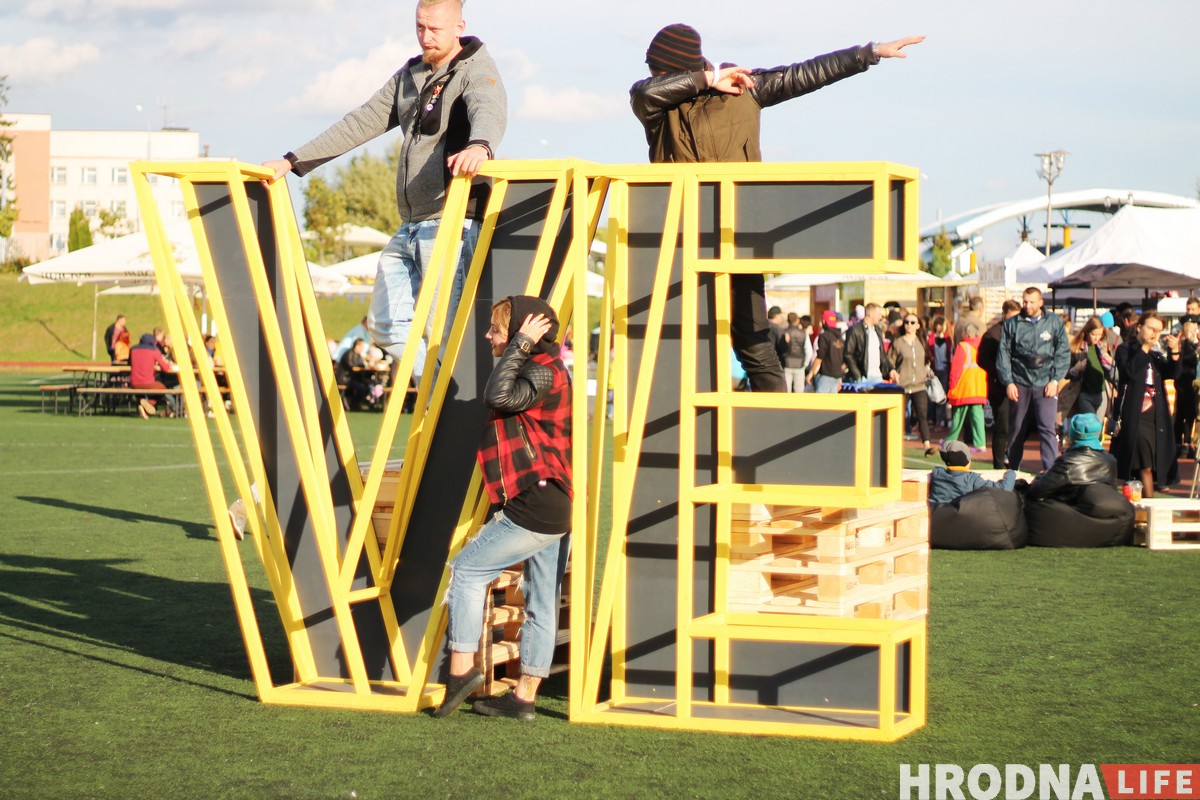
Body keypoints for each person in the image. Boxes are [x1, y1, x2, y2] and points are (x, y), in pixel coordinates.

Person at [629, 26, 923, 392]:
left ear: (674, 65)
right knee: (681, 340)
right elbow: (642, 93)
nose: (653, 75)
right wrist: (709, 78)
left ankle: (774, 427)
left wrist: (870, 52)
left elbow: (806, 74)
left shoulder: (746, 88)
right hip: (681, 241)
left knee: (754, 342)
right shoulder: (658, 107)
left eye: (658, 68)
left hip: (737, 237)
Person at [263, 0, 507, 382]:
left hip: (450, 220)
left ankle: (454, 404)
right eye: (420, 27)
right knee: (385, 323)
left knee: (443, 330)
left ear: (459, 25)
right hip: (411, 223)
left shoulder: (476, 68)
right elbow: (360, 121)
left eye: (435, 30)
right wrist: (293, 161)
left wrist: (481, 146)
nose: (426, 37)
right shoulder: (411, 75)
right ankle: (442, 391)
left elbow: (488, 107)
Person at [433, 295, 571, 721]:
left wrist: (519, 345)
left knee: (467, 571)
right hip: (552, 501)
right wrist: (521, 346)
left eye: (496, 330)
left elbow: (498, 396)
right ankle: (523, 700)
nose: (489, 335)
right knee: (542, 600)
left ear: (521, 334)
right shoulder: (546, 368)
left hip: (537, 502)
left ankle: (460, 674)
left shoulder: (543, 371)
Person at [996, 287, 1070, 473]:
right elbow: (1003, 354)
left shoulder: (1054, 322)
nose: (1027, 305)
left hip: (1045, 382)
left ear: (1040, 302)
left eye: (1031, 302)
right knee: (1017, 429)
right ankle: (1012, 470)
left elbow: (1063, 352)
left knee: (1047, 427)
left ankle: (1050, 471)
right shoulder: (1012, 324)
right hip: (1020, 381)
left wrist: (1055, 380)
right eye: (1025, 301)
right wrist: (1009, 381)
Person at [1111, 311, 1181, 497]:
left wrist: (1174, 352)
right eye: (1151, 329)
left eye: (1158, 331)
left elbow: (1173, 374)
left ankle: (1139, 507)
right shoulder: (1125, 349)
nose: (1154, 334)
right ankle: (1150, 505)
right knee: (1145, 465)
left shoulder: (1155, 356)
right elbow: (1129, 373)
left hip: (1156, 416)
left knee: (1148, 464)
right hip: (1136, 414)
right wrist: (1143, 349)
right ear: (1140, 327)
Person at [1026, 413, 1118, 503]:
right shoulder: (1111, 460)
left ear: (1073, 434)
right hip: (1105, 513)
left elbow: (1036, 492)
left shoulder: (1068, 462)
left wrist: (1039, 478)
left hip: (1075, 512)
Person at [978, 299, 1020, 468]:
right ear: (1004, 315)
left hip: (1019, 386)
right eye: (1011, 317)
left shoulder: (1021, 331)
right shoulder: (993, 334)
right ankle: (999, 464)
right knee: (1003, 426)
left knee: (1019, 425)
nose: (1014, 321)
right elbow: (981, 360)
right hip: (999, 388)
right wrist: (1000, 372)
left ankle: (1013, 458)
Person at [892, 313, 936, 457]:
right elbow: (890, 362)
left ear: (918, 325)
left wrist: (927, 370)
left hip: (919, 385)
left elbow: (927, 359)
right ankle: (896, 446)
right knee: (899, 416)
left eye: (912, 322)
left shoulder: (922, 341)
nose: (909, 325)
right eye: (906, 322)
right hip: (903, 386)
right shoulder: (898, 343)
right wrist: (893, 372)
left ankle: (927, 445)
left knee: (922, 415)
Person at [1059, 316, 1116, 419]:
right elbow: (1066, 374)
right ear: (1087, 332)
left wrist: (1110, 361)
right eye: (1094, 334)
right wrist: (1076, 369)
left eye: (1100, 334)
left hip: (1101, 393)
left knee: (1098, 428)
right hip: (1084, 393)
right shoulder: (1076, 347)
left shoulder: (1103, 348)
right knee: (1089, 426)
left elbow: (1112, 372)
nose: (1096, 338)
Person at [928, 440, 1016, 505]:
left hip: (937, 520)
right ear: (966, 461)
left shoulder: (937, 473)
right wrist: (1011, 472)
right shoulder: (971, 479)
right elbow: (1004, 489)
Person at [946, 321, 988, 451]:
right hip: (980, 387)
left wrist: (951, 386)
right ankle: (980, 443)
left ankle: (950, 440)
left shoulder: (963, 346)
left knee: (958, 416)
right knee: (978, 416)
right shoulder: (982, 345)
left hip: (964, 387)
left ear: (966, 333)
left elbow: (956, 369)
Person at [844, 303, 899, 385]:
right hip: (863, 377)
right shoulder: (855, 330)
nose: (880, 317)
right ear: (870, 314)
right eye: (878, 314)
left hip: (877, 376)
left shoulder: (878, 331)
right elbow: (848, 354)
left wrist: (891, 369)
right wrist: (857, 375)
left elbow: (882, 355)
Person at [129, 332, 180, 419]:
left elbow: (129, 363)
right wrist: (169, 365)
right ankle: (150, 404)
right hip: (148, 382)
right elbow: (165, 368)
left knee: (141, 390)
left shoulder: (133, 349)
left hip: (134, 382)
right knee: (162, 389)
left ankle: (143, 405)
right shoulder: (154, 351)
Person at [1174, 319, 1199, 458]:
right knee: (1189, 414)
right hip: (1187, 381)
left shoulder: (1181, 344)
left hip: (1181, 381)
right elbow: (1190, 360)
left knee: (1181, 413)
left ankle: (1179, 442)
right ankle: (1186, 443)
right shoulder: (1187, 344)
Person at [808, 310, 845, 394]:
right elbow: (843, 358)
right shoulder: (840, 338)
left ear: (823, 321)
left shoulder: (824, 336)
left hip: (826, 375)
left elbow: (820, 356)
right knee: (832, 405)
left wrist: (811, 372)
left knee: (821, 404)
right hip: (837, 375)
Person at [927, 315, 952, 427]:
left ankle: (940, 419)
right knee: (932, 394)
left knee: (942, 394)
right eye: (940, 324)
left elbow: (950, 354)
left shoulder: (948, 339)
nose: (942, 327)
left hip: (945, 369)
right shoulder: (931, 338)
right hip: (934, 370)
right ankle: (932, 418)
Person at [783, 311, 811, 393]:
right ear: (797, 320)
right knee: (799, 392)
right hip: (799, 365)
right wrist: (805, 364)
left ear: (788, 321)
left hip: (786, 363)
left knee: (786, 391)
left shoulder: (784, 332)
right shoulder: (803, 333)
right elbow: (809, 351)